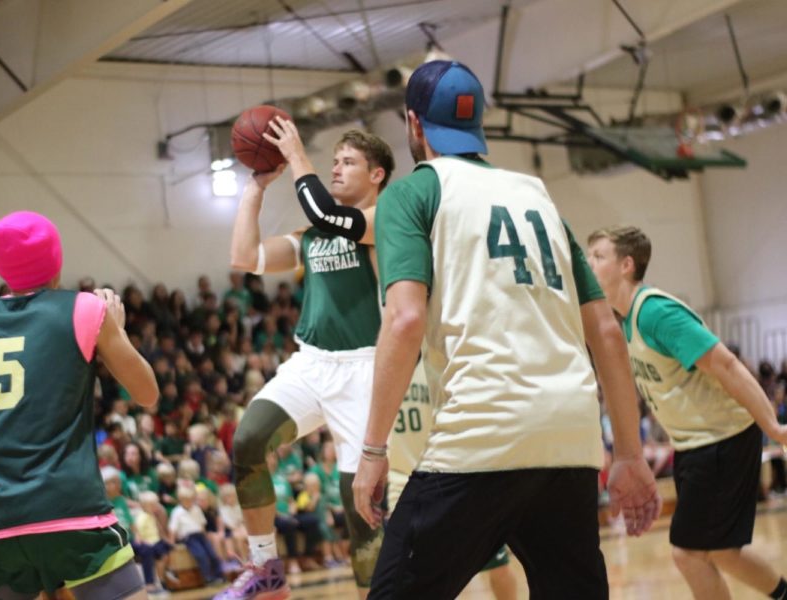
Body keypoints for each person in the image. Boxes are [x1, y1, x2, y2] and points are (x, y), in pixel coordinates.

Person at [349, 60, 660, 599]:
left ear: (414, 124)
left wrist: (374, 451)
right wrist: (630, 454)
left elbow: (404, 319)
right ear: (478, 125)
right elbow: (607, 333)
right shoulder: (540, 198)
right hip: (568, 437)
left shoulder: (413, 193)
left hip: (484, 432)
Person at [215, 128, 395, 600]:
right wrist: (256, 186)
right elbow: (244, 256)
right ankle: (264, 567)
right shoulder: (312, 234)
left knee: (364, 517)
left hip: (366, 370)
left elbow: (332, 215)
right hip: (312, 364)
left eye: (348, 161)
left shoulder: (384, 221)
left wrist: (297, 154)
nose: (336, 167)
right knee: (249, 440)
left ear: (376, 175)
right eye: (333, 159)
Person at [0, 211, 159, 600]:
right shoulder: (84, 309)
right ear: (55, 260)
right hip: (71, 509)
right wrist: (119, 331)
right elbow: (148, 395)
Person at [587, 225, 787, 600]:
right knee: (721, 553)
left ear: (626, 265)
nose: (588, 264)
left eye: (598, 256)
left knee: (688, 554)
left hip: (721, 439)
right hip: (697, 445)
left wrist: (774, 427)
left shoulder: (655, 313)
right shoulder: (627, 319)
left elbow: (727, 365)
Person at [386, 356, 517, 600]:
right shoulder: (387, 368)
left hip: (446, 477)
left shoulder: (434, 361)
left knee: (496, 567)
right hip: (407, 483)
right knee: (423, 575)